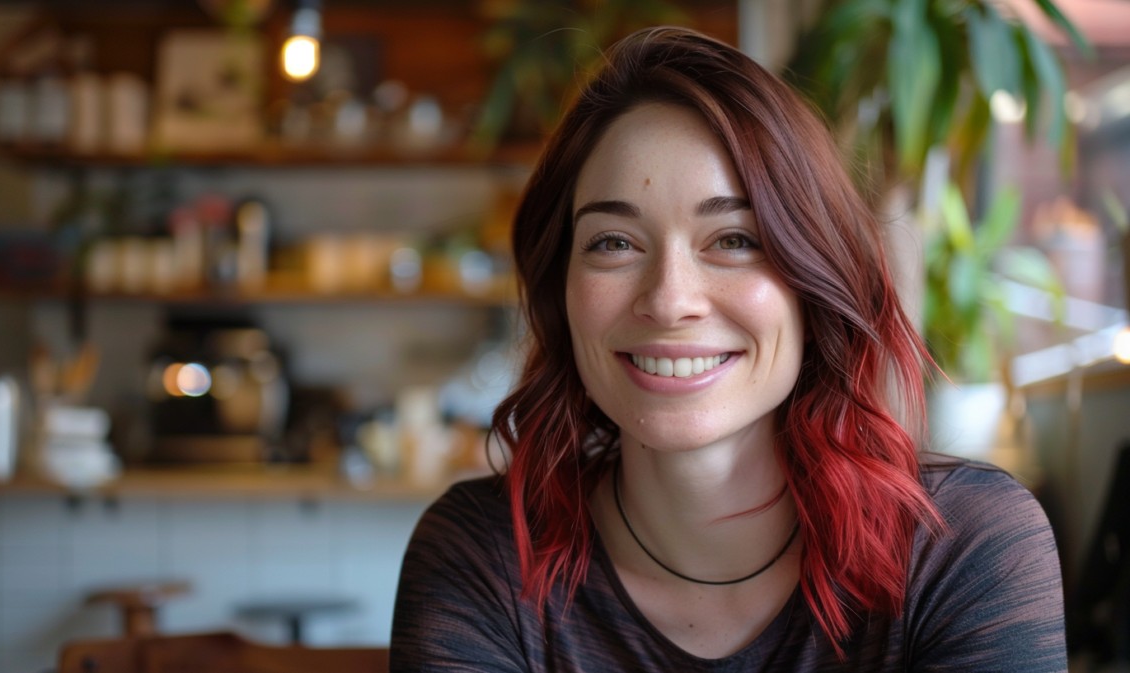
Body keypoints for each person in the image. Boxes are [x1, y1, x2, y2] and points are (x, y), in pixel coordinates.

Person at [391, 27, 1065, 671]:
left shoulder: (965, 546)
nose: (669, 298)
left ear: (815, 280)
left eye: (735, 239)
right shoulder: (482, 555)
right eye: (613, 243)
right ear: (558, 293)